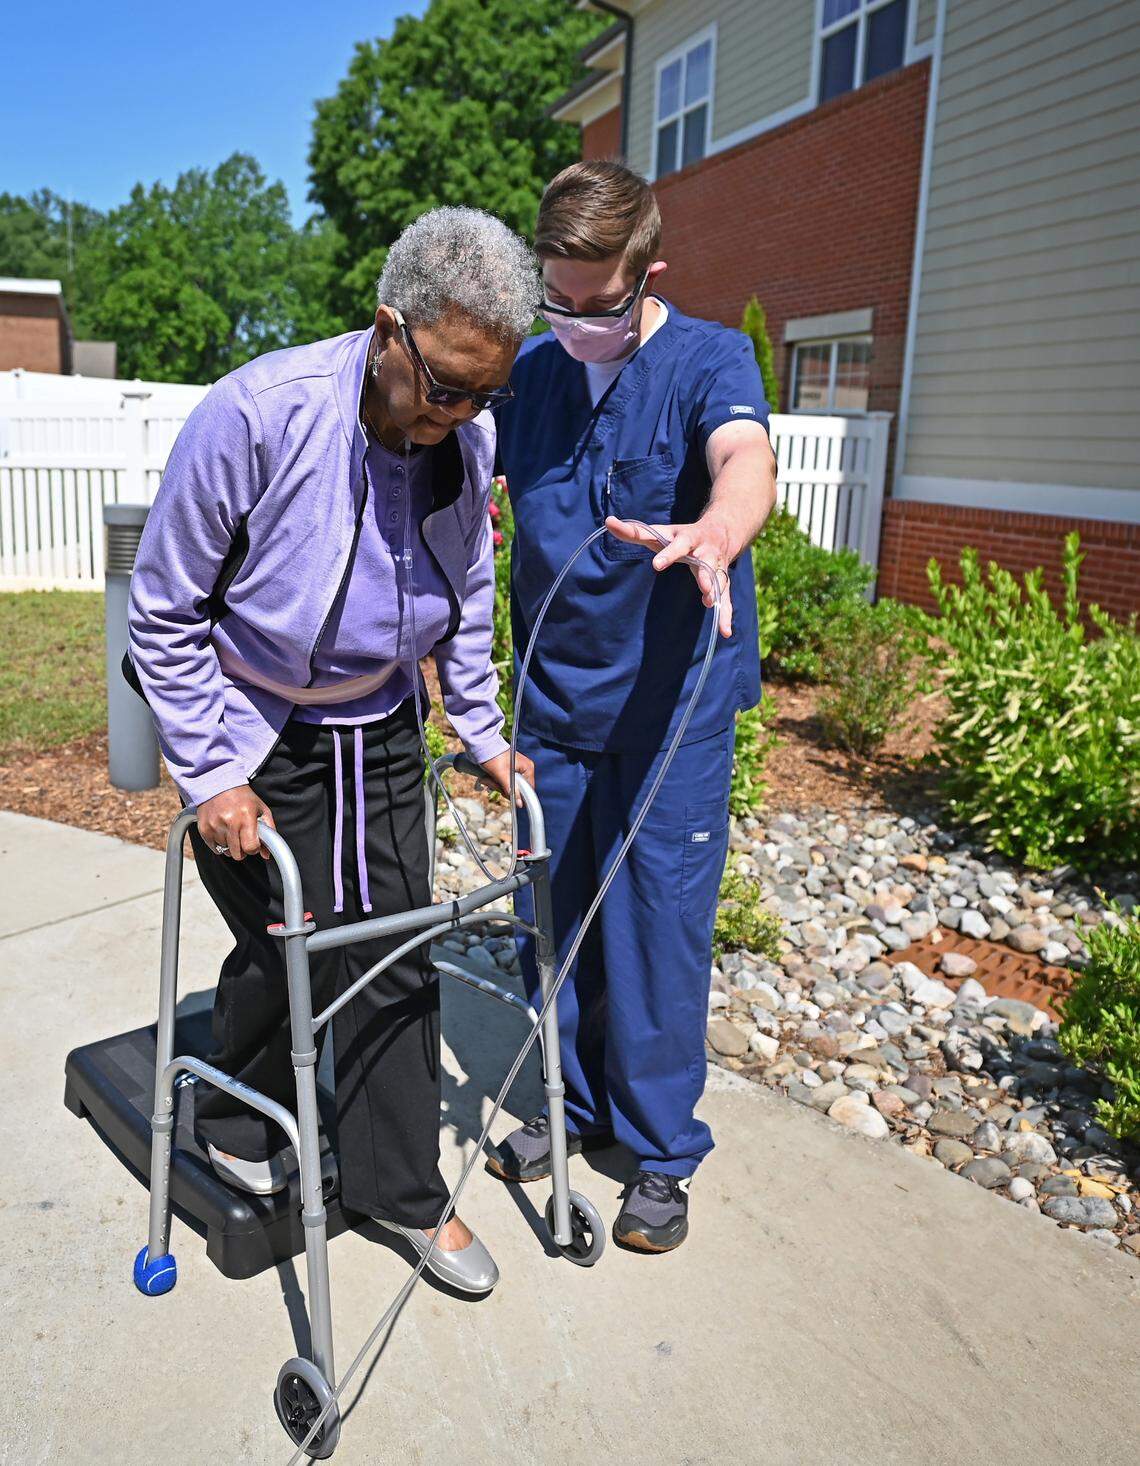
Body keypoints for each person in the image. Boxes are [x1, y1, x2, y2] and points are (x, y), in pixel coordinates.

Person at [128, 206, 538, 1295]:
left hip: (380, 719)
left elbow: (467, 596)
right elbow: (162, 612)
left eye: (485, 391)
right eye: (445, 384)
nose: (459, 413)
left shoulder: (470, 437)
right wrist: (211, 773)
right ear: (386, 329)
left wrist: (484, 732)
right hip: (252, 718)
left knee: (398, 947)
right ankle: (231, 1104)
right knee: (287, 943)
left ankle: (403, 1192)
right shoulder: (258, 416)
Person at [488, 161, 778, 1252]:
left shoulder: (709, 357)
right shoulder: (529, 374)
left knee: (658, 929)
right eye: (552, 299)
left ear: (647, 272)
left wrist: (718, 529)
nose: (572, 324)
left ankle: (658, 1149)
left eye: (596, 304)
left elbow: (744, 456)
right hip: (555, 705)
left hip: (671, 710)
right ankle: (567, 1108)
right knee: (551, 923)